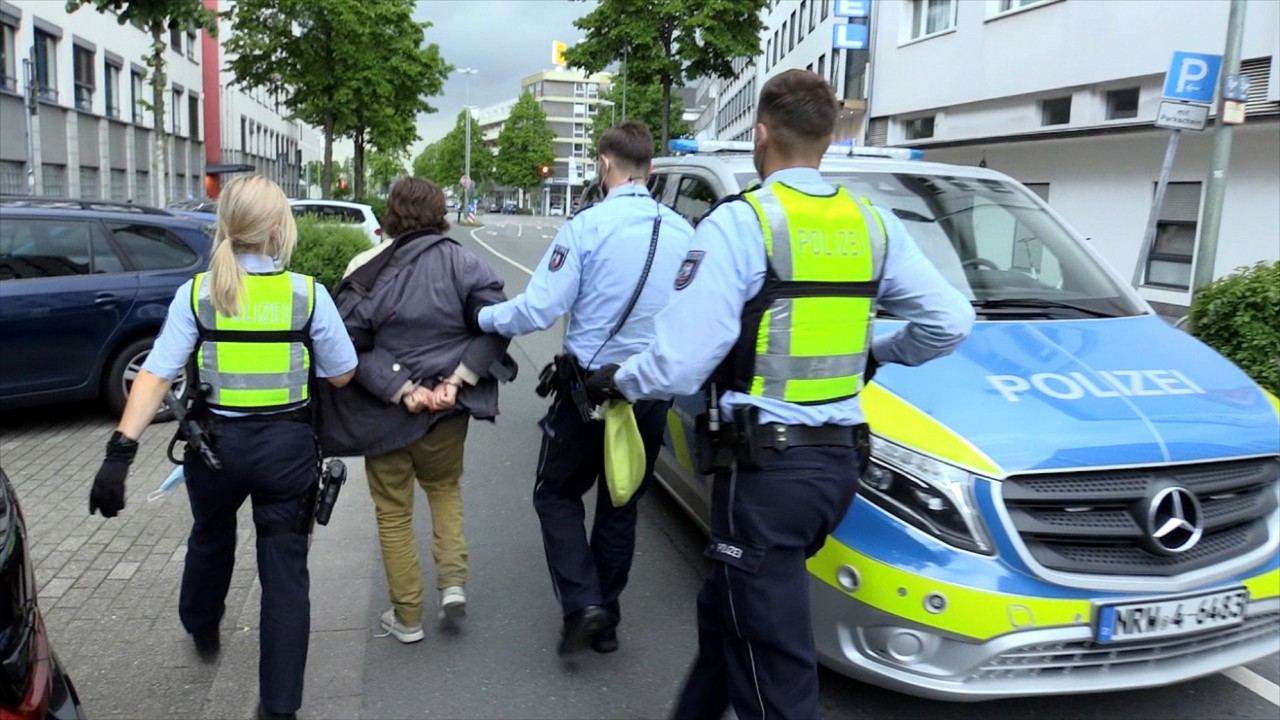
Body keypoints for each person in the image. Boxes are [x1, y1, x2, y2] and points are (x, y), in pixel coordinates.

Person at [584, 70, 976, 719]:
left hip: (765, 474)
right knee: (729, 615)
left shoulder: (744, 224)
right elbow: (949, 321)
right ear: (828, 139)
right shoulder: (870, 224)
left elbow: (679, 365)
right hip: (838, 467)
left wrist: (617, 382)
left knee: (775, 674)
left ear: (761, 135)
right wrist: (873, 350)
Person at [87, 175, 358, 720]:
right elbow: (344, 374)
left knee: (211, 537)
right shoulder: (308, 295)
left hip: (216, 452)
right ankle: (279, 708)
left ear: (226, 229)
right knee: (285, 575)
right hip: (287, 452)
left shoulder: (200, 293)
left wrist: (120, 453)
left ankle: (203, 625)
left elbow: (156, 375)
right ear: (280, 229)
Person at [476, 120, 694, 656]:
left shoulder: (587, 226)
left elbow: (539, 308)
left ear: (604, 165)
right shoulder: (686, 234)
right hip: (647, 395)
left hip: (586, 394)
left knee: (555, 494)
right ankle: (608, 623)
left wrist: (482, 318)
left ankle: (583, 603)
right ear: (650, 168)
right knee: (621, 504)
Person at [331, 177, 514, 645]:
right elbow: (498, 322)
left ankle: (407, 616)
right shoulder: (464, 262)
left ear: (391, 213)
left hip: (386, 414)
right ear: (439, 212)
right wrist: (458, 379)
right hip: (448, 414)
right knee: (445, 490)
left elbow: (346, 345)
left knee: (393, 512)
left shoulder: (368, 267)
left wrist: (403, 387)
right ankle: (452, 585)